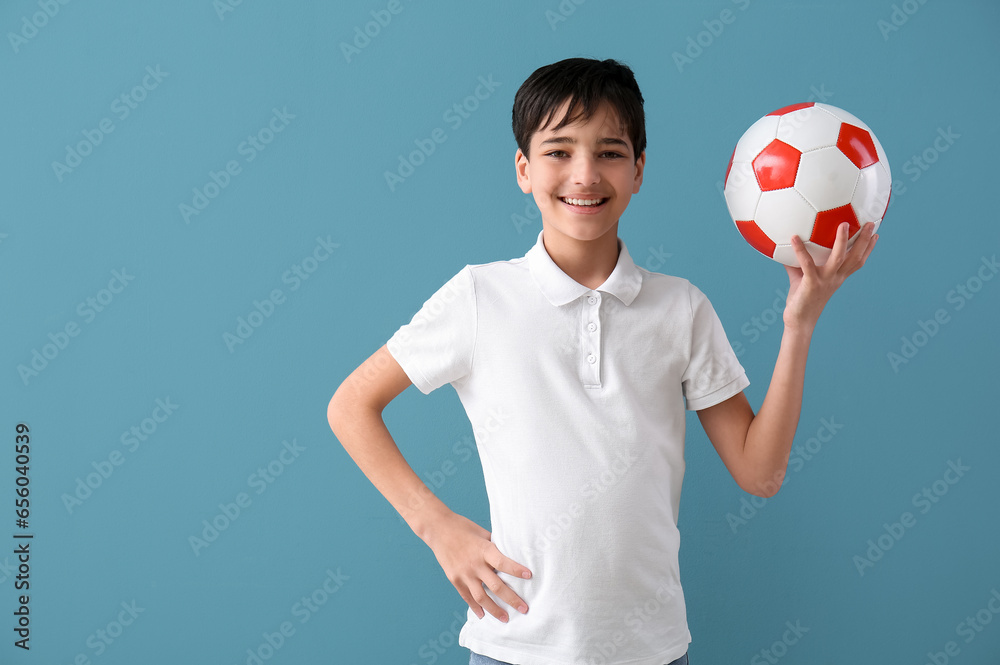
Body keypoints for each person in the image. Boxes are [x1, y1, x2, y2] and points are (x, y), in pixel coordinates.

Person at [327, 57, 877, 665]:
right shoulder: (480, 297)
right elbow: (351, 405)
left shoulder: (683, 308)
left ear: (639, 169)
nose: (584, 175)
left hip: (653, 650)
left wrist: (799, 326)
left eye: (610, 152)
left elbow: (760, 474)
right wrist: (436, 526)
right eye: (559, 151)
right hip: (514, 647)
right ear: (523, 169)